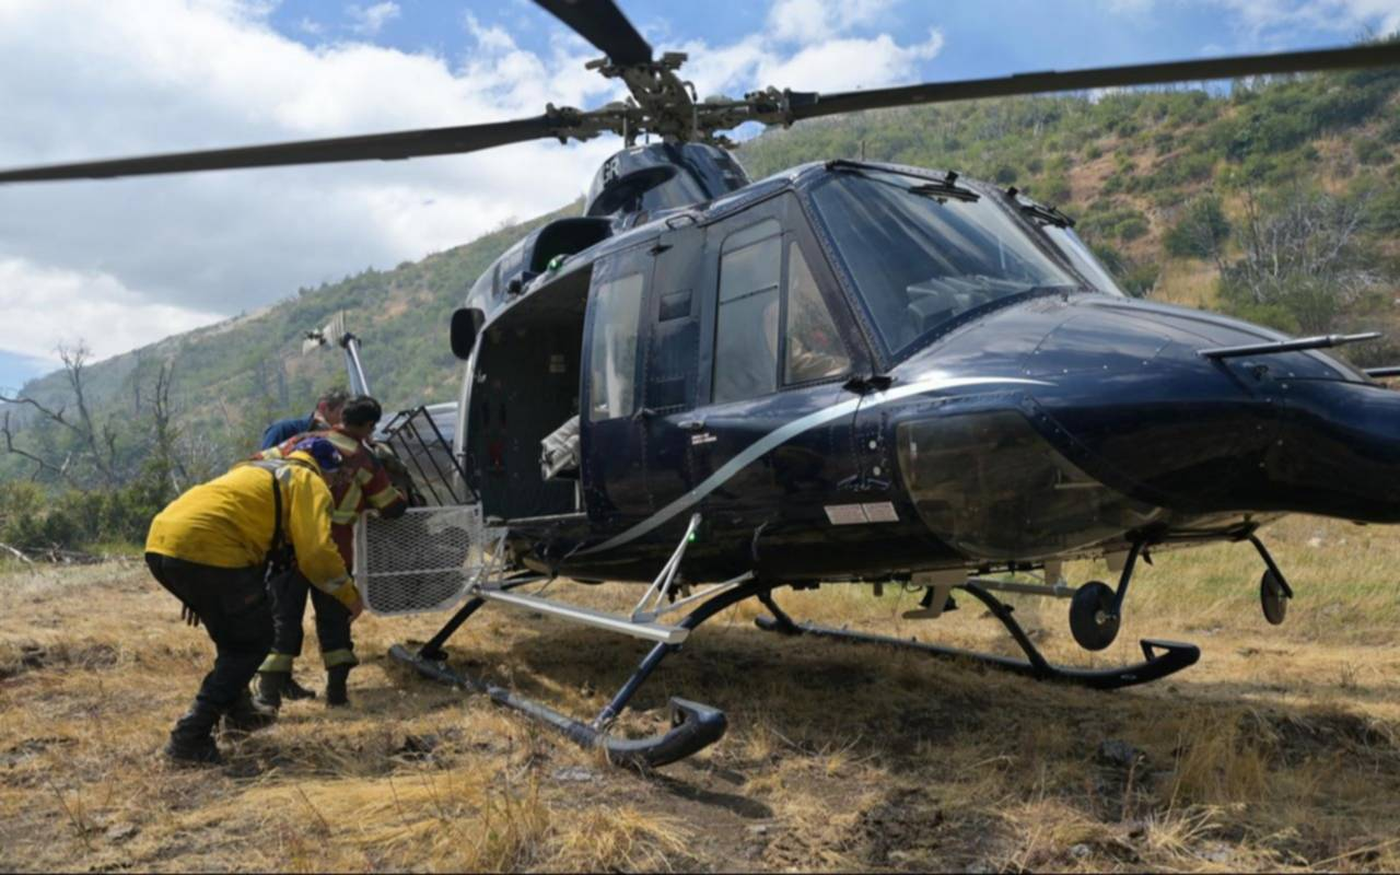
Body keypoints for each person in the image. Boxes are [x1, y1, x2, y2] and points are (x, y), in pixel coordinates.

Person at [144, 436, 362, 766]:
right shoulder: (308, 480)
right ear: (327, 470)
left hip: (163, 543)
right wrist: (348, 594)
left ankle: (239, 711)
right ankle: (190, 736)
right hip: (208, 549)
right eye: (333, 478)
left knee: (234, 634)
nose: (332, 485)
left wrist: (194, 587)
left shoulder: (256, 468)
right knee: (251, 644)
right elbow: (316, 552)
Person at [253, 395, 407, 709]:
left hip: (288, 549)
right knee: (335, 622)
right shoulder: (364, 459)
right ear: (368, 426)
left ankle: (268, 695)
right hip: (333, 554)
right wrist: (401, 492)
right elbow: (389, 507)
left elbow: (256, 462)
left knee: (282, 620)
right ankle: (337, 697)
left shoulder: (302, 440)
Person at [260, 387, 349, 451]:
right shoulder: (281, 430)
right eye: (340, 412)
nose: (343, 419)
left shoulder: (336, 439)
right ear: (323, 407)